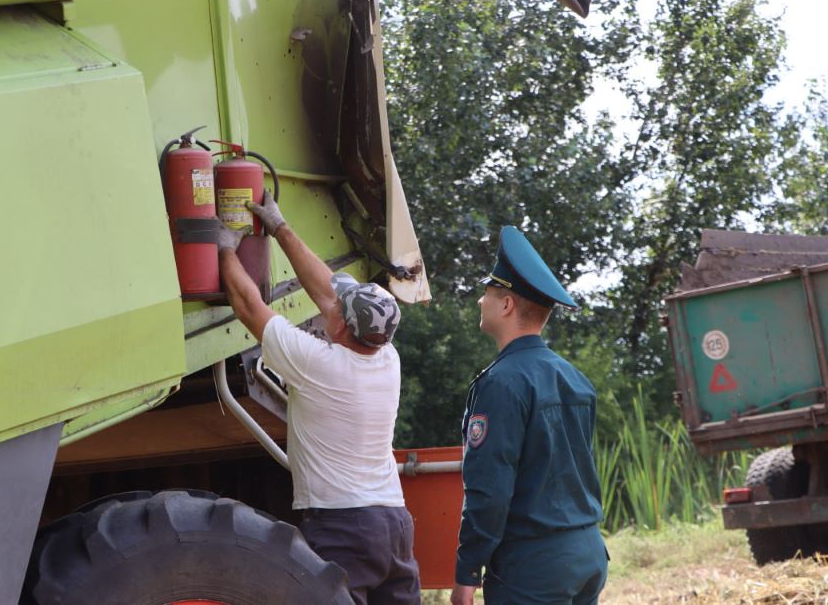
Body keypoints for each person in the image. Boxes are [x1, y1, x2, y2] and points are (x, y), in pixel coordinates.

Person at [216, 190, 420, 605]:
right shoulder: (387, 356)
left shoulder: (318, 365)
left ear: (341, 327)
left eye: (337, 309)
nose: (330, 302)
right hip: (394, 523)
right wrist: (279, 226)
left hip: (344, 528)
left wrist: (220, 247)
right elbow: (328, 295)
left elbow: (247, 305)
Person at [450, 225, 607, 605]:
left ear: (507, 305)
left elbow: (489, 488)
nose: (479, 302)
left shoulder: (501, 384)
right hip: (587, 552)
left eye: (487, 293)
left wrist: (467, 573)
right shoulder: (575, 378)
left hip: (534, 566)